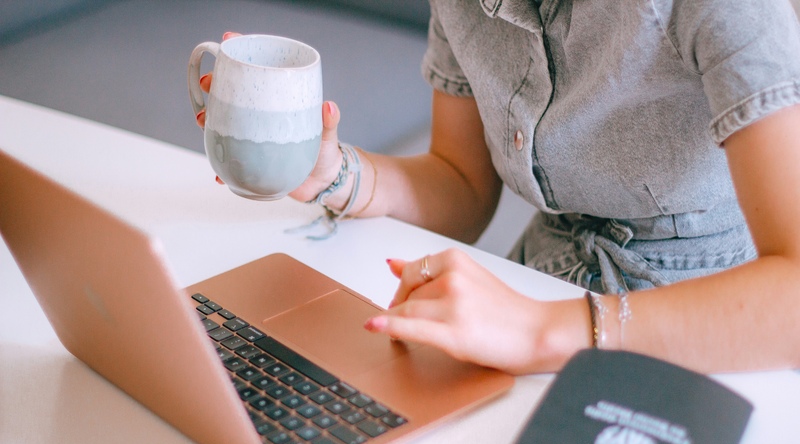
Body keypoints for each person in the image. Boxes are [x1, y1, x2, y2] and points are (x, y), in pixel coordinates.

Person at [196, 0, 800, 383]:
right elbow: (461, 185)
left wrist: (541, 331)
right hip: (550, 283)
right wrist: (337, 176)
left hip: (718, 335)